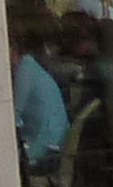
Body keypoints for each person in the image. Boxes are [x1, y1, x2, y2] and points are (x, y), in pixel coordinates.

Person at [12, 37, 72, 168]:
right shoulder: (31, 67)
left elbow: (15, 113)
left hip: (46, 146)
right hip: (55, 140)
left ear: (12, 51)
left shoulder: (24, 71)